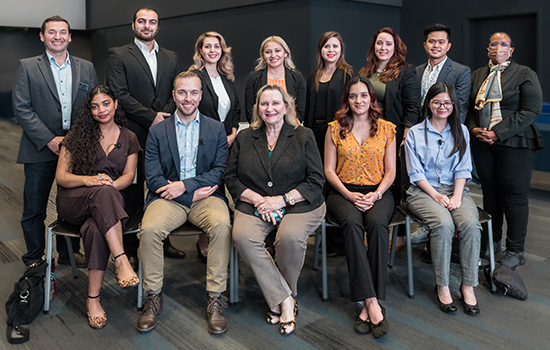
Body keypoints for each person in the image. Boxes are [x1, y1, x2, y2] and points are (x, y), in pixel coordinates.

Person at [224, 84, 325, 336]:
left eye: (275, 103)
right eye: (264, 104)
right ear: (257, 108)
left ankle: (281, 300)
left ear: (286, 107)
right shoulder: (245, 137)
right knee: (242, 237)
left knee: (289, 238)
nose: (270, 108)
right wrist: (259, 200)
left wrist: (282, 200)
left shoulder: (303, 135)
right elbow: (231, 177)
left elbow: (315, 180)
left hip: (299, 203)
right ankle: (286, 299)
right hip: (255, 202)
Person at [136, 72, 231, 334]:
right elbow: (153, 177)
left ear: (201, 95)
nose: (187, 98)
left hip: (207, 198)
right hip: (167, 199)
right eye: (182, 92)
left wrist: (187, 186)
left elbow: (219, 170)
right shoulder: (157, 131)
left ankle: (214, 297)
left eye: (193, 93)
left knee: (223, 225)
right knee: (151, 230)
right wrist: (188, 194)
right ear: (174, 95)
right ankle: (153, 296)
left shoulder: (215, 128)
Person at [12, 15, 97, 269]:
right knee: (34, 209)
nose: (57, 37)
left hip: (75, 149)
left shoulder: (86, 67)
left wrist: (74, 140)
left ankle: (68, 253)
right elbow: (22, 109)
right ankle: (35, 258)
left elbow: (91, 106)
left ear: (70, 37)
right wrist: (49, 139)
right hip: (39, 148)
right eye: (52, 32)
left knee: (71, 206)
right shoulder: (27, 66)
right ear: (42, 36)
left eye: (63, 32)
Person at [55, 85, 141, 329]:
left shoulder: (129, 137)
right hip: (74, 200)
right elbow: (61, 176)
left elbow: (129, 175)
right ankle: (121, 259)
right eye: (94, 106)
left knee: (95, 229)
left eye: (105, 103)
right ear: (89, 110)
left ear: (115, 104)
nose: (101, 110)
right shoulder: (77, 135)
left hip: (107, 203)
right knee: (102, 192)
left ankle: (93, 300)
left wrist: (110, 186)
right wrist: (89, 180)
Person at [105, 7, 184, 259]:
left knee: (166, 185)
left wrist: (165, 116)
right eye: (142, 21)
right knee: (133, 189)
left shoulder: (171, 57)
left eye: (152, 22)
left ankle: (164, 240)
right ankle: (130, 248)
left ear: (158, 27)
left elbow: (177, 91)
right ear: (133, 25)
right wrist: (152, 117)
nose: (147, 26)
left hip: (166, 132)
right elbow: (119, 93)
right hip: (133, 132)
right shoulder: (118, 55)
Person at [324, 76, 395, 338]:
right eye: (353, 96)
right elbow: (329, 171)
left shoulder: (387, 128)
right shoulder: (334, 128)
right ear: (347, 99)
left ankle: (367, 303)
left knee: (377, 225)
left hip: (379, 192)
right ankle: (373, 303)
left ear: (371, 98)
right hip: (343, 192)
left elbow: (391, 172)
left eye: (364, 95)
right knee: (352, 225)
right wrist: (349, 195)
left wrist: (375, 195)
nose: (358, 101)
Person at [466, 32, 543, 270]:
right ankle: (492, 243)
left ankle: (515, 250)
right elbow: (469, 108)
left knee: (514, 197)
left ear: (511, 50)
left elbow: (531, 109)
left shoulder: (524, 73)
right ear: (487, 48)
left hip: (515, 142)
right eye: (493, 44)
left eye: (504, 44)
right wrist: (474, 129)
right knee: (490, 195)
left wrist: (498, 132)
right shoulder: (479, 74)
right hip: (483, 143)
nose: (498, 47)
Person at [405, 82, 481, 315]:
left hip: (455, 189)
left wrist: (457, 196)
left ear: (453, 105)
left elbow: (463, 169)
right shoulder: (415, 133)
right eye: (437, 102)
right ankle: (443, 285)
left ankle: (468, 285)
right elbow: (415, 173)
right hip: (423, 191)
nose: (442, 106)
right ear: (429, 103)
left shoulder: (462, 131)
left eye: (447, 102)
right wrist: (437, 195)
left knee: (470, 224)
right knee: (444, 224)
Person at [189, 31, 241, 261]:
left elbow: (236, 109)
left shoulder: (226, 78)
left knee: (229, 187)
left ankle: (231, 237)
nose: (212, 50)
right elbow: (191, 110)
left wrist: (233, 132)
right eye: (207, 46)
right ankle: (203, 238)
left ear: (222, 51)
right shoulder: (194, 77)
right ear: (200, 51)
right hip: (204, 143)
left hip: (228, 142)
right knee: (211, 188)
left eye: (216, 47)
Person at [359, 27, 420, 144]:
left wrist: (405, 138)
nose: (383, 48)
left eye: (388, 44)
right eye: (379, 43)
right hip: (365, 131)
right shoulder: (365, 71)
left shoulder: (406, 71)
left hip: (391, 133)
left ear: (395, 47)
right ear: (374, 46)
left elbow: (412, 107)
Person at [305, 31, 354, 157]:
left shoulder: (347, 75)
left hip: (338, 131)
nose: (331, 50)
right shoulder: (313, 76)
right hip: (314, 131)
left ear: (341, 49)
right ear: (320, 50)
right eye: (326, 46)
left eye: (335, 46)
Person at [416, 23, 471, 123]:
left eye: (441, 42)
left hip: (446, 129)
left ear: (448, 46)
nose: (436, 46)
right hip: (419, 128)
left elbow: (460, 106)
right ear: (425, 45)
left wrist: (453, 133)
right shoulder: (416, 71)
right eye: (431, 41)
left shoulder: (461, 71)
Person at [245, 36, 306, 122]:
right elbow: (250, 110)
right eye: (268, 52)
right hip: (261, 131)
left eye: (277, 51)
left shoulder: (297, 77)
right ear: (263, 55)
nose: (273, 55)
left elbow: (300, 110)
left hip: (290, 130)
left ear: (286, 53)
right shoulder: (253, 78)